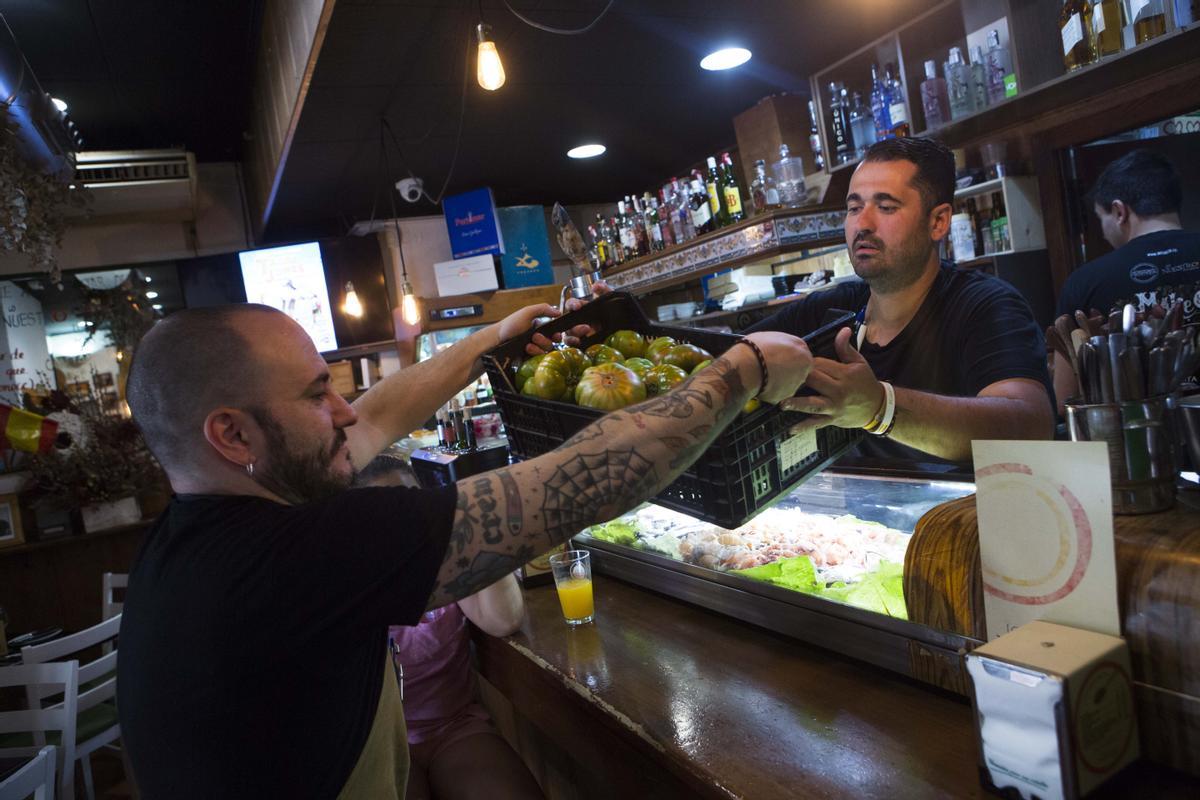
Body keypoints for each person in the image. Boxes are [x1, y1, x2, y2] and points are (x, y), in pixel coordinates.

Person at [117, 298, 813, 798]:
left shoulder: (207, 529)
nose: (345, 411)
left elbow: (380, 413)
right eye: (316, 394)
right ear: (233, 436)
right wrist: (741, 369)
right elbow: (574, 487)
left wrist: (493, 344)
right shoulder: (289, 558)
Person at [749, 137, 1054, 465]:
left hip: (957, 514)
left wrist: (880, 407)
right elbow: (733, 353)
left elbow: (1030, 426)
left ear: (938, 222)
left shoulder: (984, 305)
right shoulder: (832, 310)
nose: (862, 224)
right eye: (854, 208)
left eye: (886, 207)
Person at [356, 455, 542, 800]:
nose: (401, 523)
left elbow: (503, 620)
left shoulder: (446, 560)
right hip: (379, 743)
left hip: (455, 730)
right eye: (383, 513)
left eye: (411, 505)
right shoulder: (346, 581)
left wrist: (475, 526)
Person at [1053, 149, 1200, 409]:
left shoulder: (1085, 282)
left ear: (1119, 211)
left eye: (1102, 218)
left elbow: (1066, 397)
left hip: (1134, 442)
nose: (1104, 232)